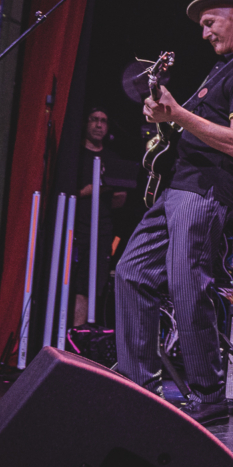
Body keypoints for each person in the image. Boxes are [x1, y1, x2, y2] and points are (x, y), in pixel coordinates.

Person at [114, 0, 233, 428]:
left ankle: (208, 394)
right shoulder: (223, 69)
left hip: (205, 191)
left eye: (210, 22)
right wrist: (166, 116)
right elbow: (190, 127)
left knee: (188, 285)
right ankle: (139, 386)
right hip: (177, 186)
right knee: (130, 272)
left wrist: (178, 114)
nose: (203, 33)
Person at [72, 107, 139, 327]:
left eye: (103, 121)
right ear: (86, 123)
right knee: (75, 282)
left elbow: (120, 199)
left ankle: (85, 335)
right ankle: (72, 333)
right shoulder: (75, 155)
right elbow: (70, 192)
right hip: (75, 226)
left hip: (102, 229)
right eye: (94, 120)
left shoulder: (112, 159)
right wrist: (96, 188)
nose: (99, 125)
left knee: (93, 283)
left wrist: (113, 191)